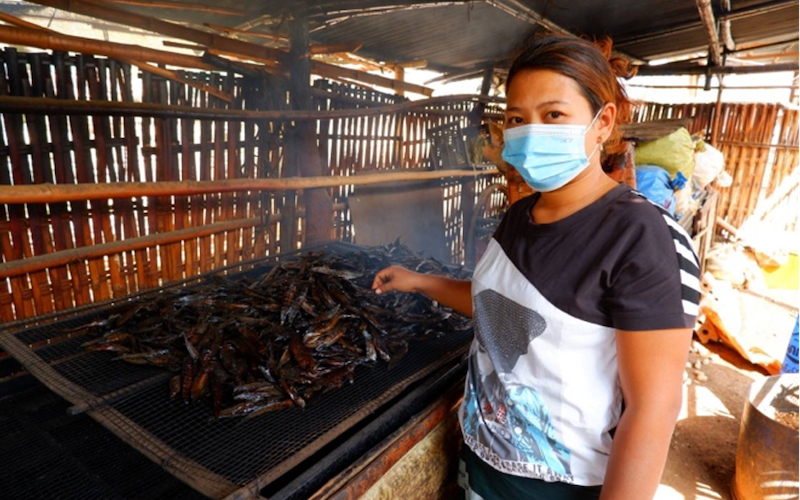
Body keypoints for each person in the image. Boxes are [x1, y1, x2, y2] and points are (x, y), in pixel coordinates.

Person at [372, 34, 700, 500]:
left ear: (603, 121)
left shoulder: (643, 238)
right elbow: (498, 308)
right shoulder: (518, 219)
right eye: (516, 119)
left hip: (560, 486)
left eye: (553, 115)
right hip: (482, 461)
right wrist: (421, 282)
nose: (531, 132)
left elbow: (654, 409)